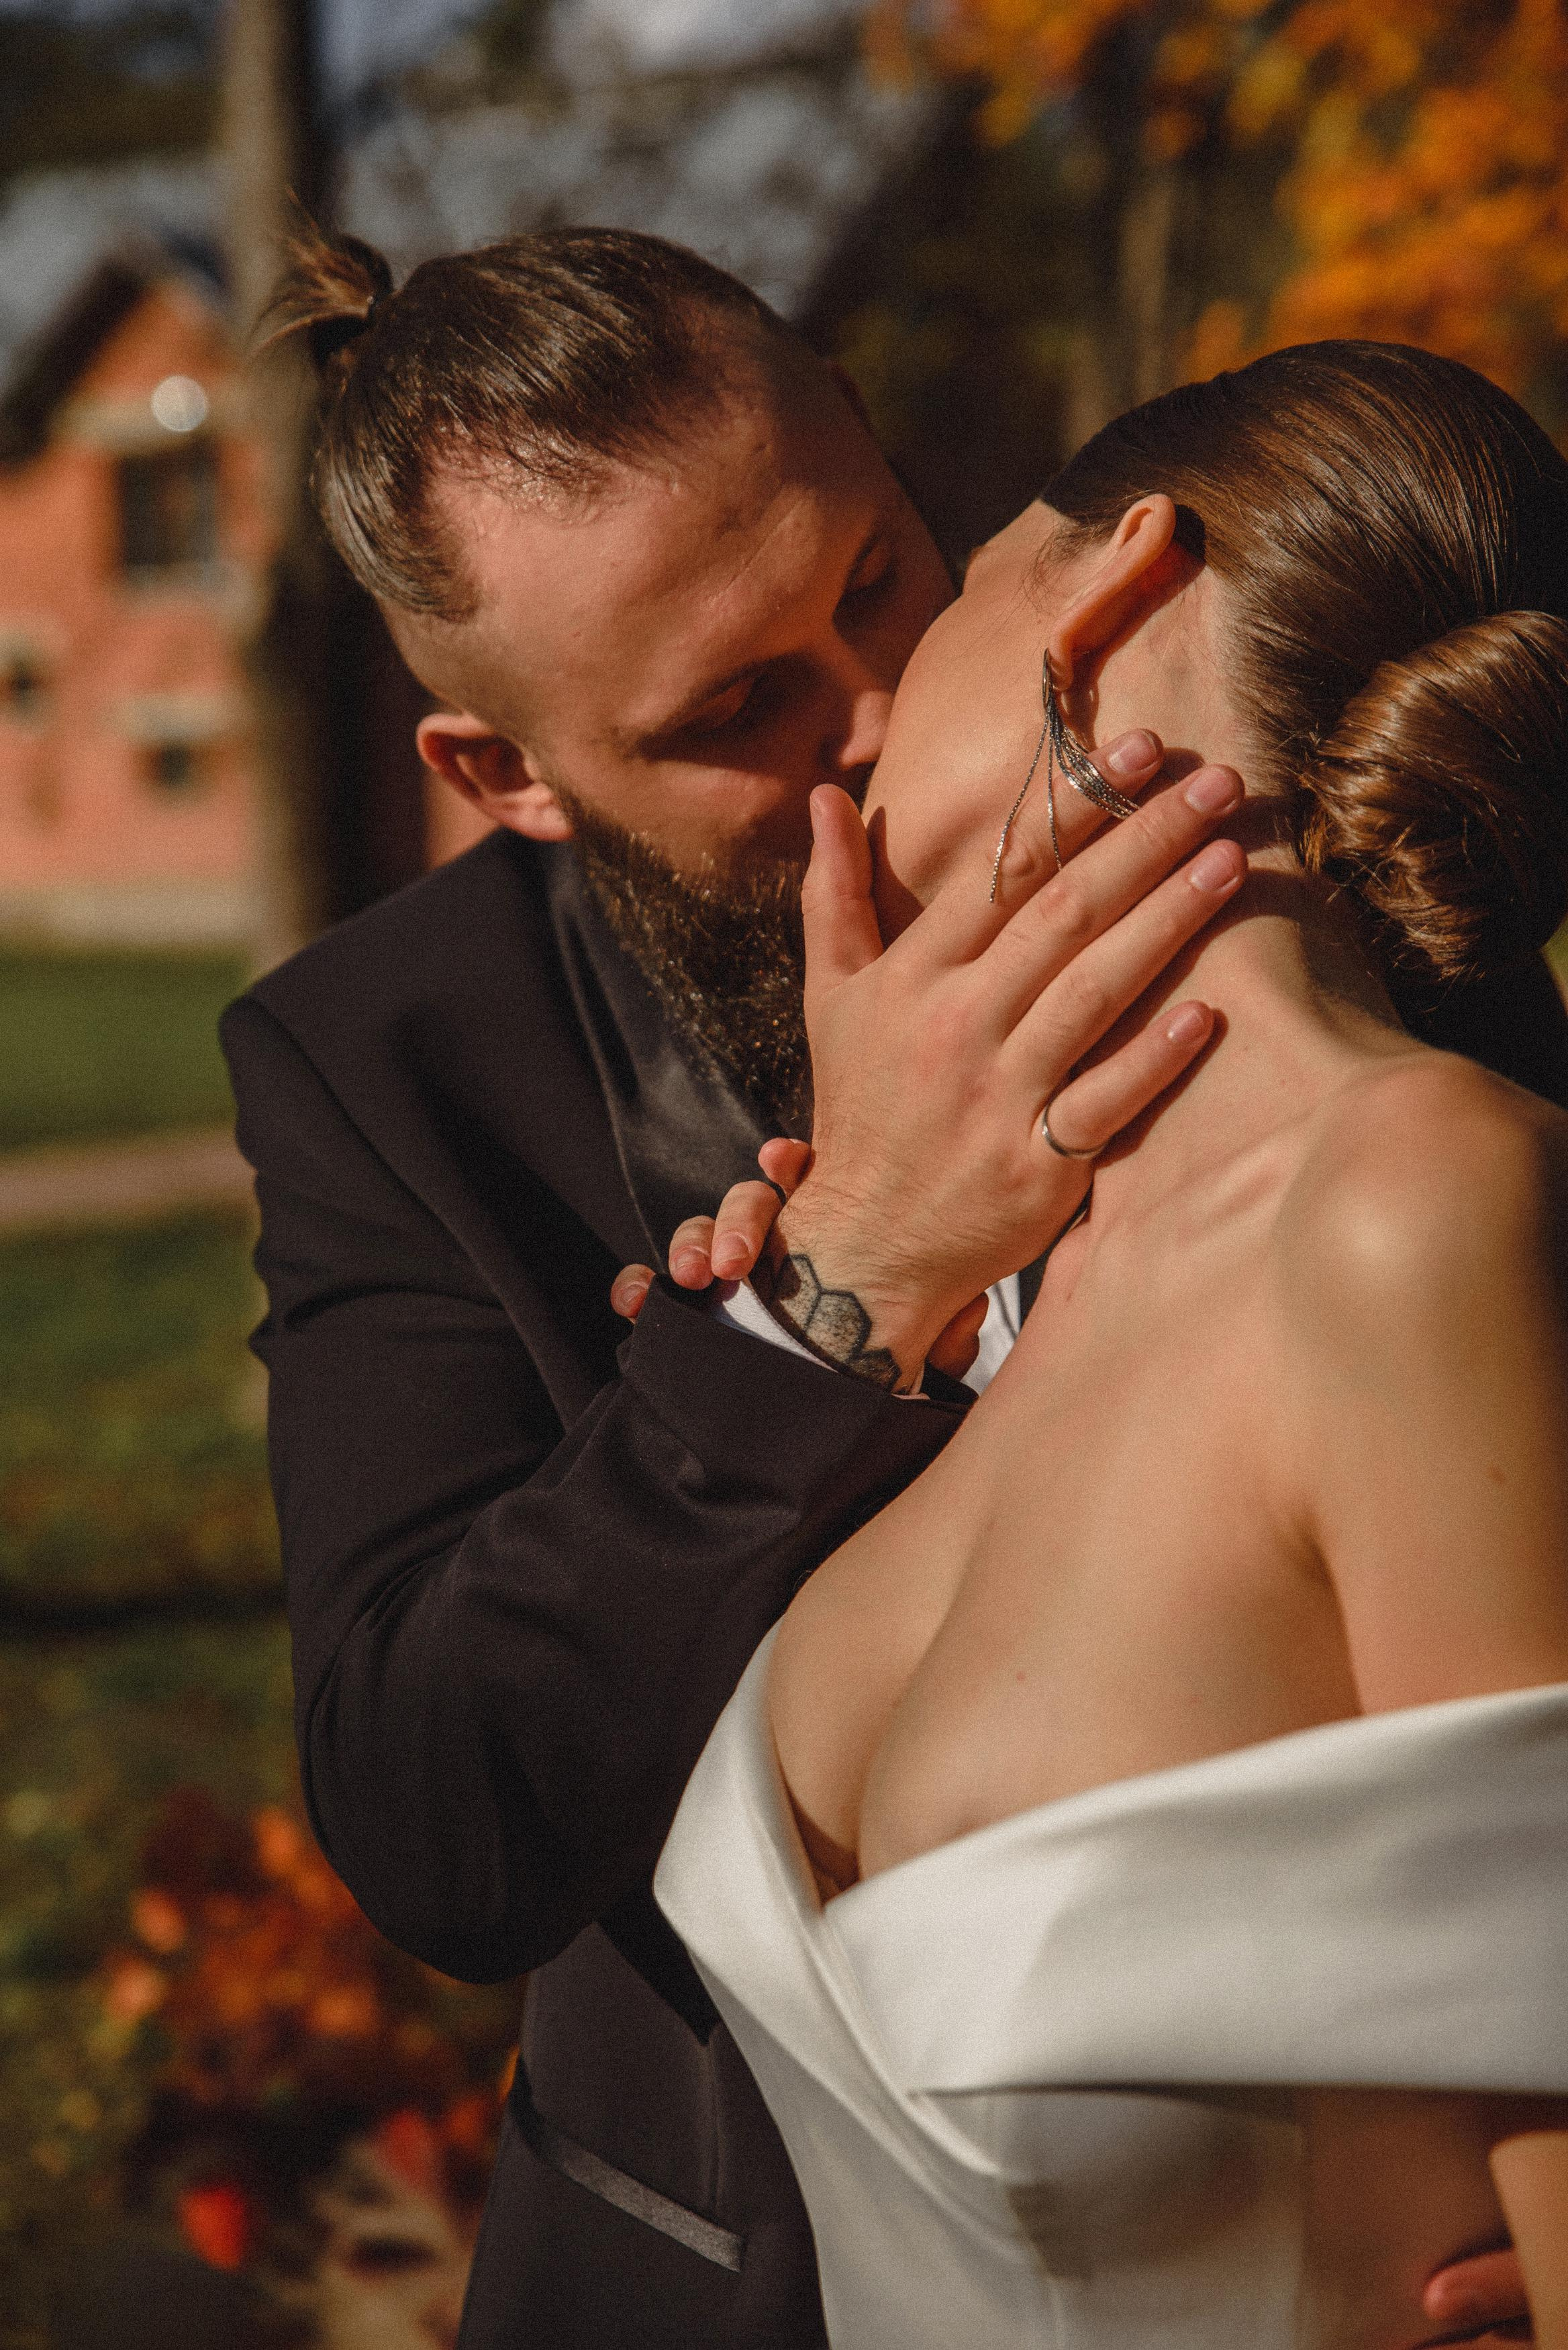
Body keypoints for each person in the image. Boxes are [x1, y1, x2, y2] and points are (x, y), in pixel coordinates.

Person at [224, 223, 1545, 2347]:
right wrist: (827, 1297)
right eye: (736, 710)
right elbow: (435, 1822)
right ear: (509, 776)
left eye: (875, 582)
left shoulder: (1362, 966)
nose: (871, 711)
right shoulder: (394, 1065)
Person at [654, 341, 1568, 2348]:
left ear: (1117, 594)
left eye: (948, 586)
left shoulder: (1411, 1203)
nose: (860, 719)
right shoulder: (995, 1325)